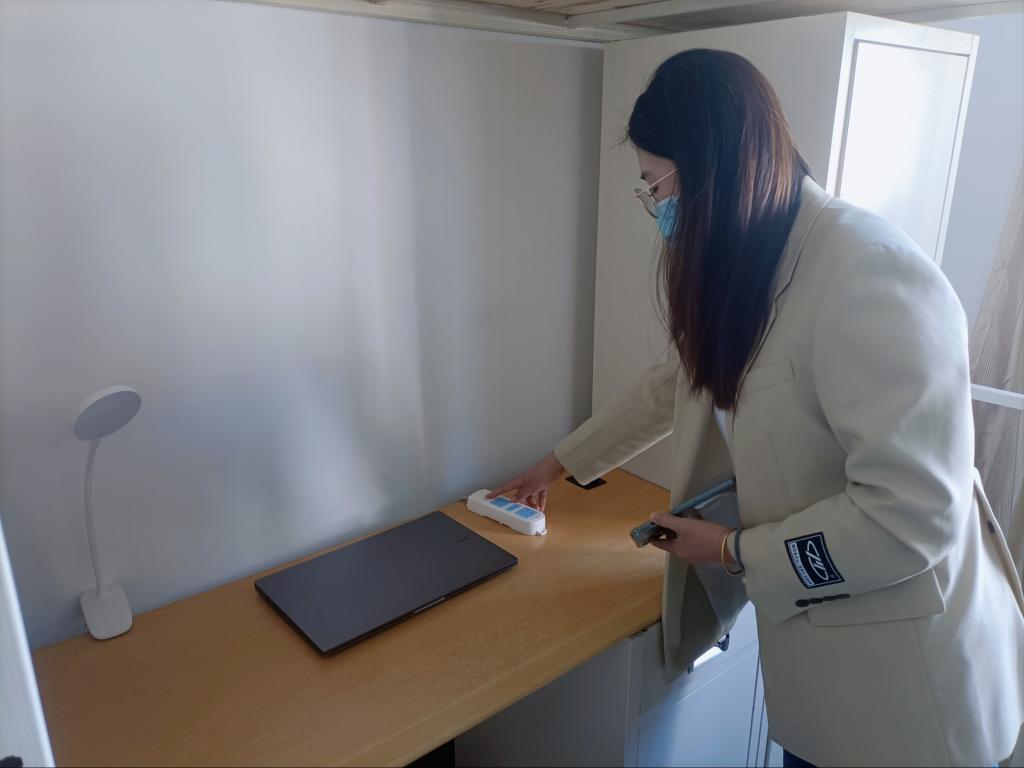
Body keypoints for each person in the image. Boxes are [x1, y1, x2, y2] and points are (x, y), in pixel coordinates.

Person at [489, 49, 1024, 767]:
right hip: (827, 667)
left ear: (715, 170)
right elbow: (672, 382)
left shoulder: (868, 274)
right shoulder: (758, 260)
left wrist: (734, 552)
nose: (658, 210)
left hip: (908, 692)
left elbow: (913, 516)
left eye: (658, 187)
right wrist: (556, 466)